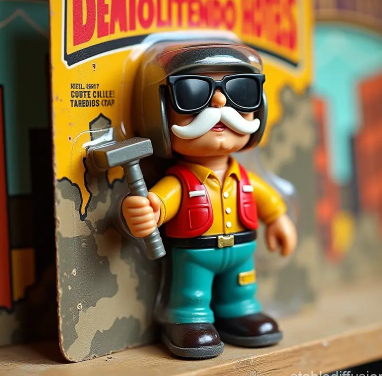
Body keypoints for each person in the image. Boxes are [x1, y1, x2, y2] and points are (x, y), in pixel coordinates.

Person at [123, 33, 297, 359]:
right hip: (195, 255)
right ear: (160, 113)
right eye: (192, 93)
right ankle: (189, 320)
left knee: (241, 286)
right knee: (192, 293)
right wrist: (146, 212)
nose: (219, 103)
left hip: (242, 252)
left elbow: (267, 200)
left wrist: (278, 219)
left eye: (240, 91)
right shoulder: (180, 182)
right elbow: (159, 204)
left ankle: (239, 311)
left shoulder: (244, 178)